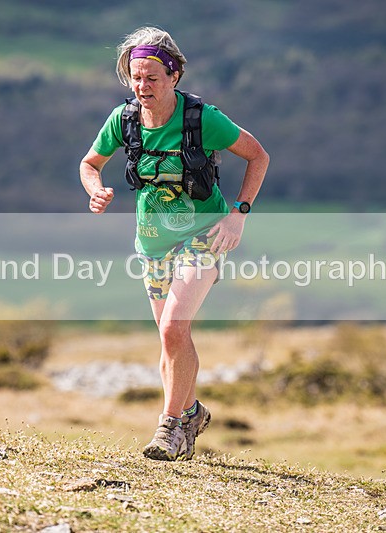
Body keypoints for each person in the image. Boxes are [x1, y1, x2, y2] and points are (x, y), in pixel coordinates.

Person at [79, 26, 268, 461]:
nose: (142, 87)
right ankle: (191, 413)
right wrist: (95, 188)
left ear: (175, 75)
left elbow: (258, 155)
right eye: (135, 78)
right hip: (152, 244)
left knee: (173, 328)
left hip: (204, 235)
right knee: (170, 341)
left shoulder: (203, 120)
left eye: (152, 78)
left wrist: (239, 214)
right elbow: (90, 162)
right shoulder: (122, 120)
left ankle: (168, 429)